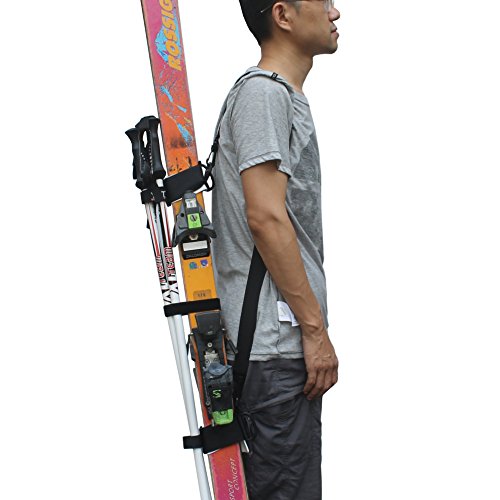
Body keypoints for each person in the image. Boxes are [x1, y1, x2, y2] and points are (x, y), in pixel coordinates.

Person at [211, 1, 340, 498]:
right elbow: (265, 218)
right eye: (323, 2)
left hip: (279, 354)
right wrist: (314, 330)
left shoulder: (277, 96)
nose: (335, 12)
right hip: (276, 352)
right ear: (283, 15)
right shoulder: (263, 95)